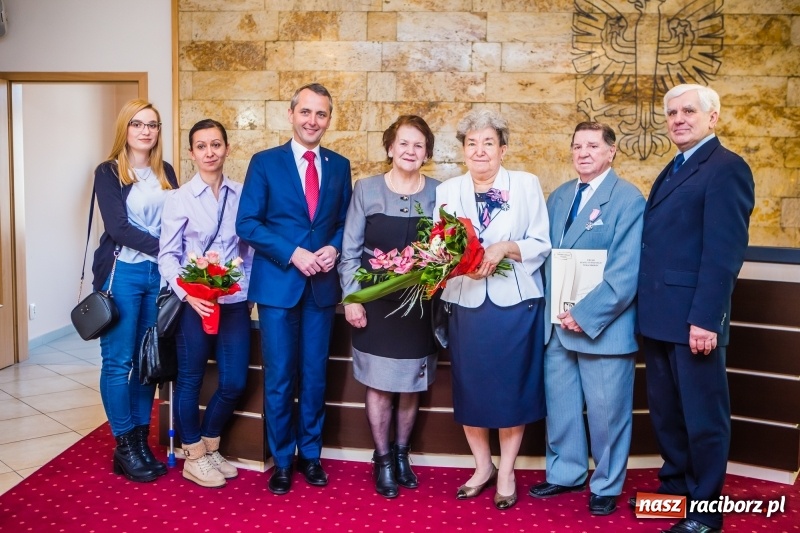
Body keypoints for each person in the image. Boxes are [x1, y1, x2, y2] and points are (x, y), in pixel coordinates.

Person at [636, 84, 755, 533]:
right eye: (672, 112)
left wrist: (706, 319)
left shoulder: (727, 169)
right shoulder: (673, 167)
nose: (678, 119)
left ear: (713, 117)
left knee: (703, 418)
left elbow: (723, 254)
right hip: (660, 318)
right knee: (668, 414)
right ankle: (674, 493)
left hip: (694, 321)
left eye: (689, 111)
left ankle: (705, 512)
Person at [236, 83, 352, 495]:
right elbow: (247, 223)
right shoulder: (264, 163)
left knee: (315, 377)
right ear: (291, 114)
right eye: (306, 112)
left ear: (328, 120)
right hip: (277, 289)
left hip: (321, 288)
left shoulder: (339, 166)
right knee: (281, 377)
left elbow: (343, 221)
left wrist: (334, 248)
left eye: (321, 114)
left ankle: (312, 455)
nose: (312, 121)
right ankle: (282, 460)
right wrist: (294, 253)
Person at [435, 109, 551, 511]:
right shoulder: (447, 190)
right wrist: (459, 261)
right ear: (463, 151)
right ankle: (482, 467)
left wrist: (505, 248)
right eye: (472, 143)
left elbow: (540, 241)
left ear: (503, 149)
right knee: (471, 389)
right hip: (466, 301)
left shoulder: (526, 184)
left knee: (510, 390)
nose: (480, 150)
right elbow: (439, 249)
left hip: (514, 304)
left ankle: (507, 472)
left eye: (488, 143)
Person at [528, 122, 644, 516]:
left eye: (593, 145)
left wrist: (583, 314)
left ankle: (607, 482)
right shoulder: (559, 196)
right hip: (557, 325)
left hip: (603, 327)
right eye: (577, 145)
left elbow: (627, 271)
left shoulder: (628, 199)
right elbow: (544, 258)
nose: (584, 152)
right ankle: (566, 472)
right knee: (560, 406)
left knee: (606, 412)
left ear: (611, 152)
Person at [338, 115, 438, 499]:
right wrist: (352, 298)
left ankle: (401, 455)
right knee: (380, 386)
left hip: (419, 307)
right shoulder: (366, 189)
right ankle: (381, 460)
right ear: (390, 147)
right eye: (403, 143)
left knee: (411, 385)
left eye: (418, 145)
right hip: (375, 305)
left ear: (426, 152)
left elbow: (447, 249)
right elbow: (349, 252)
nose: (410, 151)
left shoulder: (440, 193)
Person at [158, 119, 254, 488]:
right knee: (191, 380)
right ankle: (192, 455)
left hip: (233, 302)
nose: (210, 152)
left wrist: (246, 295)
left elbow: (248, 252)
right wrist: (188, 295)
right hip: (193, 305)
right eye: (201, 146)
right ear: (191, 153)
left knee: (234, 381)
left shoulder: (241, 194)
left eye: (216, 144)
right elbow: (167, 257)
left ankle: (209, 445)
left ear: (227, 148)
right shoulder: (178, 198)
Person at [92, 99, 178, 482]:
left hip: (157, 278)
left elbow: (179, 219)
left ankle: (141, 441)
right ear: (125, 129)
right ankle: (125, 444)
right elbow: (118, 228)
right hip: (122, 274)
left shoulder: (166, 171)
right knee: (118, 362)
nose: (146, 131)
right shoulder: (109, 172)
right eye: (138, 124)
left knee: (147, 364)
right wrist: (168, 246)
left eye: (153, 125)